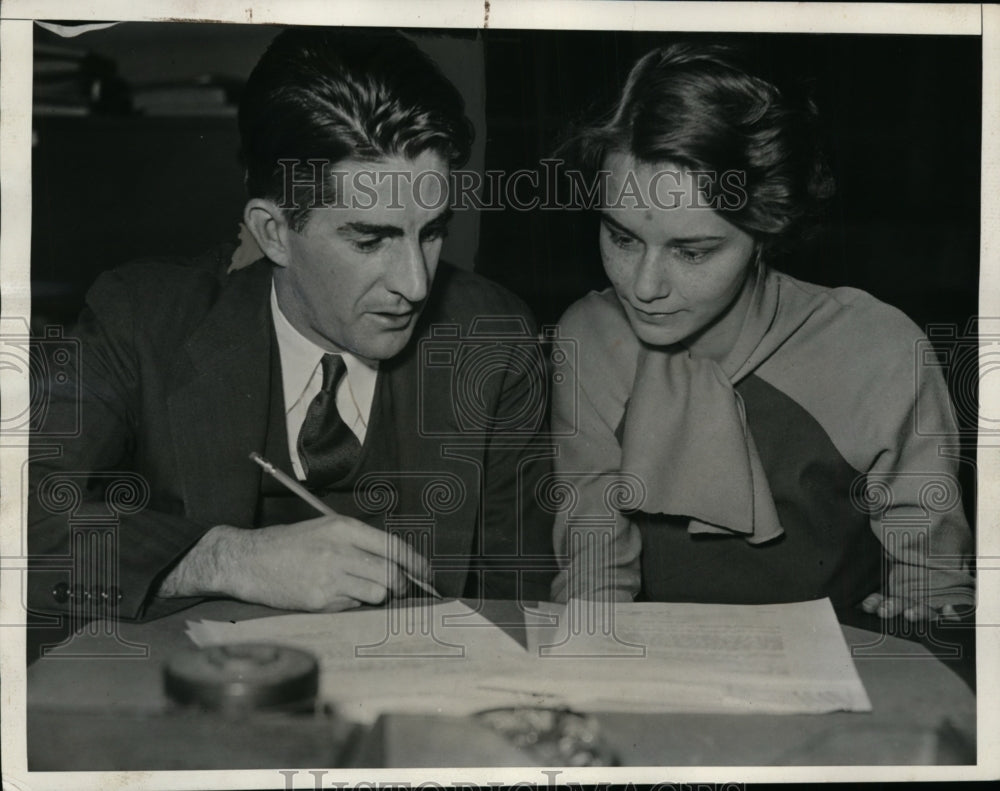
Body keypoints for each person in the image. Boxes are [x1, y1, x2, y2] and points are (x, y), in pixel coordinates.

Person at [28, 27, 555, 623]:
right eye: (369, 238)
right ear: (273, 232)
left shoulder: (495, 339)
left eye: (431, 232)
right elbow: (20, 517)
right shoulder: (140, 318)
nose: (414, 283)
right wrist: (228, 559)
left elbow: (522, 605)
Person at [549, 43, 974, 620]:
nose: (644, 286)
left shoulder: (879, 349)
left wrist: (925, 617)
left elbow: (935, 591)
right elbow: (593, 577)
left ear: (767, 232)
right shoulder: (591, 339)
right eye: (622, 238)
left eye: (691, 252)